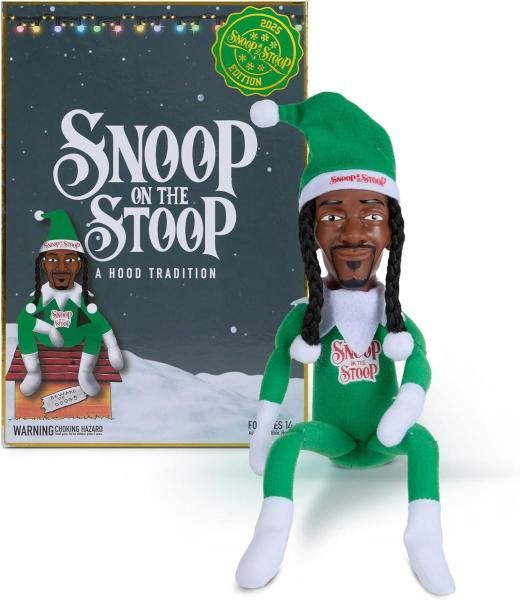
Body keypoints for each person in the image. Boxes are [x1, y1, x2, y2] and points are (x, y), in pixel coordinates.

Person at [236, 93, 455, 595]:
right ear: (311, 231)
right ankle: (271, 531)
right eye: (333, 217)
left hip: (384, 440)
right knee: (291, 444)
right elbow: (278, 361)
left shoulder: (391, 318)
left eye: (371, 215)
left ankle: (424, 536)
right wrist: (264, 431)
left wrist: (407, 406)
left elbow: (419, 361)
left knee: (423, 443)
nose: (353, 232)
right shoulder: (308, 317)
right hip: (331, 438)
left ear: (391, 231)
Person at [17, 209, 123, 397]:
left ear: (78, 265)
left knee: (93, 328)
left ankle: (85, 373)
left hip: (74, 337)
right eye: (53, 260)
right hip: (48, 339)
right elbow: (24, 319)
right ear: (44, 265)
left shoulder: (79, 295)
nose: (61, 267)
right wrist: (49, 330)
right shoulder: (43, 295)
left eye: (70, 260)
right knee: (24, 325)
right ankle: (33, 371)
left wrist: (113, 348)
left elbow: (99, 321)